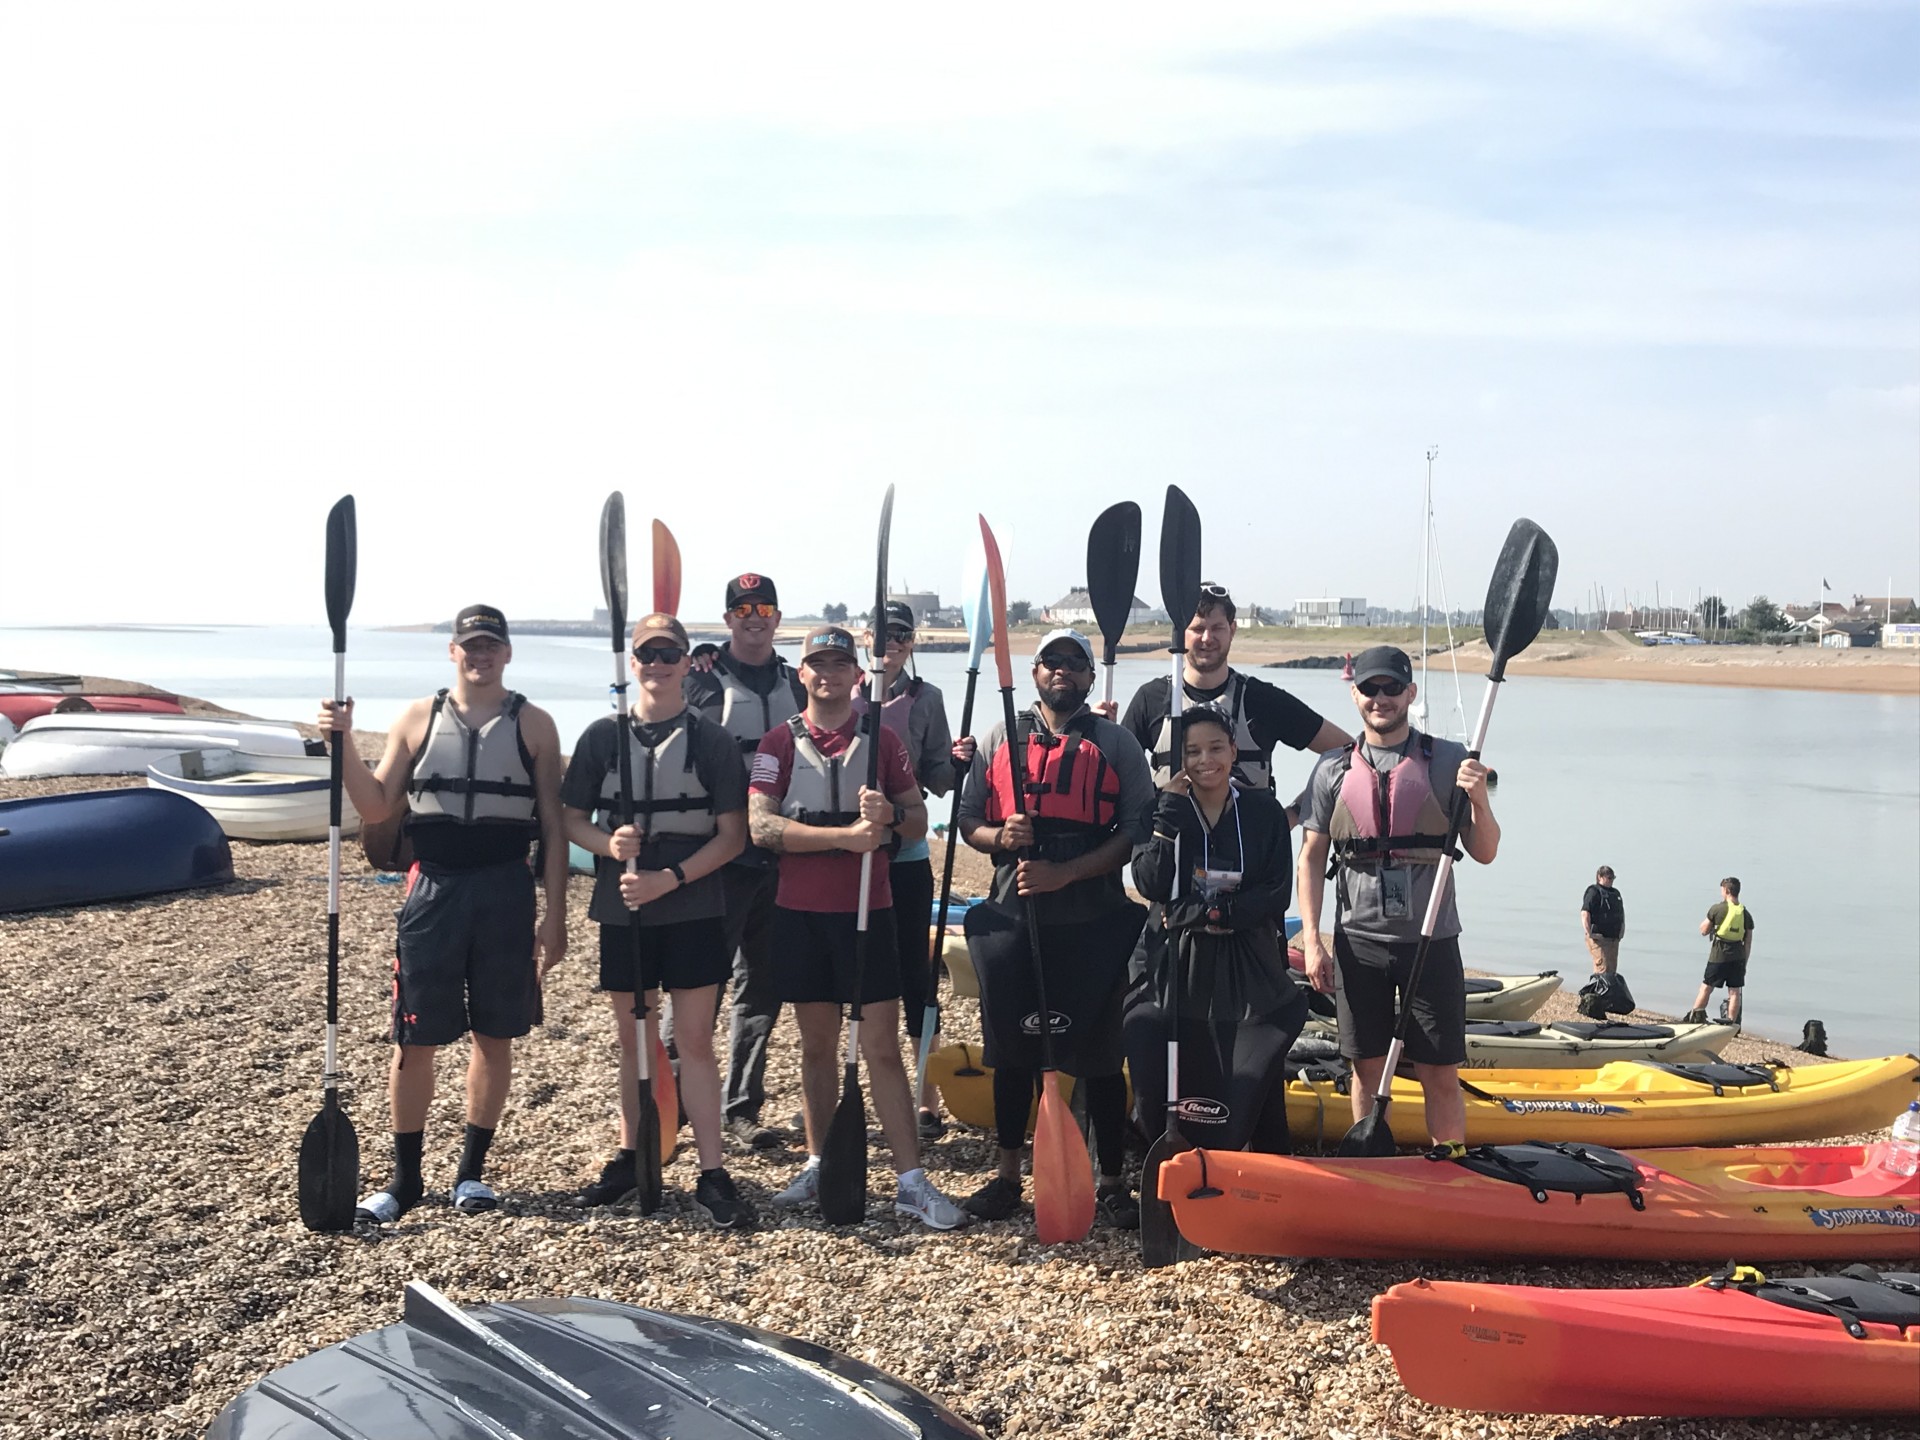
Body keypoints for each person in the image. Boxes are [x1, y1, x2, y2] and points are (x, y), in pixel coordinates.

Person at [318, 605, 568, 1221]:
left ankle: (472, 1175)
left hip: (506, 888)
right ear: (452, 653)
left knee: (494, 1034)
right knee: (415, 1035)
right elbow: (376, 807)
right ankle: (405, 1181)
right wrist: (342, 742)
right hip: (433, 889)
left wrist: (555, 913)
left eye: (491, 647)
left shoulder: (534, 724)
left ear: (507, 654)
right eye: (470, 647)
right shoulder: (416, 718)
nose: (480, 657)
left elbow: (556, 831)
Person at [748, 626, 967, 1229]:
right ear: (802, 673)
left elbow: (919, 821)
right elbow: (760, 828)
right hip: (801, 914)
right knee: (816, 1046)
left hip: (869, 913)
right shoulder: (779, 742)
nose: (829, 675)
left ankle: (911, 1181)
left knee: (881, 1051)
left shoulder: (883, 740)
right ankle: (820, 1162)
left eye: (840, 664)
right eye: (818, 664)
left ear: (856, 675)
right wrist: (842, 838)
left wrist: (890, 815)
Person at [956, 628, 1153, 1228]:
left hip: (1092, 916)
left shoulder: (1115, 744)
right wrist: (1000, 838)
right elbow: (966, 820)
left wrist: (1066, 873)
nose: (1062, 670)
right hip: (1015, 913)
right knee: (1012, 1050)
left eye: (1075, 663)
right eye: (1051, 662)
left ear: (1090, 679)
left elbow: (1134, 832)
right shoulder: (1000, 737)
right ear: (1035, 673)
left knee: (1098, 1053)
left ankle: (1113, 1180)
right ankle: (1008, 1175)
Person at [561, 613, 752, 1226]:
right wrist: (608, 844)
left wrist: (670, 879)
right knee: (634, 1042)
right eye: (648, 653)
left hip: (692, 903)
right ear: (634, 662)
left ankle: (712, 1172)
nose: (658, 663)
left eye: (669, 652)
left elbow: (733, 837)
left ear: (685, 661)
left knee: (693, 1042)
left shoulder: (711, 741)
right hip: (624, 905)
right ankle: (630, 1156)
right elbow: (570, 817)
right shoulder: (601, 737)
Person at [1294, 645, 1500, 1154]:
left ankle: (1449, 1166)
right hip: (1358, 942)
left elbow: (1485, 851)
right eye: (1369, 689)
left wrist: (1479, 799)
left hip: (1430, 942)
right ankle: (1372, 1164)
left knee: (1438, 1070)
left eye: (1391, 688)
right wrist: (1314, 941)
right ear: (1355, 696)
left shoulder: (1450, 759)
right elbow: (1311, 858)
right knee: (1364, 1067)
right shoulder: (1331, 770)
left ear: (1410, 693)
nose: (1380, 699)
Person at [1128, 704, 1310, 1154]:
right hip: (1177, 960)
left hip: (1246, 961)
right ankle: (1160, 1144)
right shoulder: (1162, 808)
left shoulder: (1263, 811)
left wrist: (1212, 914)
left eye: (1215, 748)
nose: (1205, 760)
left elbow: (1276, 894)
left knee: (1260, 1062)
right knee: (1145, 1030)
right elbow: (1150, 883)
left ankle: (1265, 1159)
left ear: (1233, 751)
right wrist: (1167, 816)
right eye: (1192, 751)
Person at [683, 573, 808, 1150]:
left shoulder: (796, 683)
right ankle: (675, 1100)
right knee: (698, 979)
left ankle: (740, 1105)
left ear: (777, 617)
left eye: (763, 607)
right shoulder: (700, 679)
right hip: (718, 852)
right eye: (741, 608)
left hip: (780, 854)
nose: (753, 616)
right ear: (728, 617)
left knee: (762, 984)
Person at [1118, 582, 1349, 813]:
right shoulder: (1151, 699)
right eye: (1198, 629)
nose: (1207, 638)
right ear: (1180, 633)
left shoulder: (1263, 700)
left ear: (1232, 630)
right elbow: (1115, 775)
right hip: (1173, 845)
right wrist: (1102, 731)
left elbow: (1348, 752)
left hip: (1250, 846)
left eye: (1217, 628)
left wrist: (1293, 814)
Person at [863, 601, 957, 1138]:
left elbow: (941, 776)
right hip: (849, 857)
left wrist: (962, 762)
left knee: (914, 979)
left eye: (900, 633)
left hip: (907, 855)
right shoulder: (839, 688)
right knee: (856, 976)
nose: (890, 641)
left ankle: (926, 1098)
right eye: (881, 632)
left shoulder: (928, 699)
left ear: (912, 641)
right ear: (863, 636)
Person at [1688, 877, 1753, 1026]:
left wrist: (1712, 925)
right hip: (1738, 957)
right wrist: (1744, 962)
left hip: (1718, 955)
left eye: (1722, 891)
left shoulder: (1718, 909)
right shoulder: (1745, 914)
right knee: (1734, 992)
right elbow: (1748, 941)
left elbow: (1703, 930)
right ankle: (1731, 1023)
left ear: (1727, 890)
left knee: (1706, 987)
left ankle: (1696, 1015)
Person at [1580, 865, 1625, 975]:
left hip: (1613, 939)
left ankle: (1610, 992)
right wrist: (1590, 934)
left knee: (1611, 971)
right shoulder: (1593, 891)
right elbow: (1585, 913)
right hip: (1599, 939)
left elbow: (1621, 913)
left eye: (1613, 878)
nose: (1611, 881)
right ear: (1600, 877)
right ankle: (1598, 991)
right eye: (1609, 878)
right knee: (1602, 969)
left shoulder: (1615, 893)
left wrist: (1622, 930)